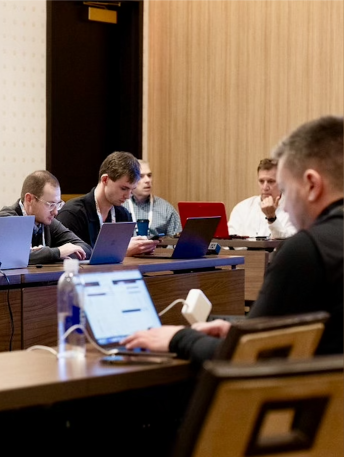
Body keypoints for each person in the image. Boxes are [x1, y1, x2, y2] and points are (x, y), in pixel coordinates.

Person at [123, 115, 343, 361]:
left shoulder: (306, 249)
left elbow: (249, 354)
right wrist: (237, 329)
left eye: (286, 190)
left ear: (312, 185)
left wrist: (178, 338)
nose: (287, 207)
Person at [0, 170, 90, 265]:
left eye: (58, 204)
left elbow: (85, 249)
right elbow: (14, 258)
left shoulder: (47, 222)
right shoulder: (6, 219)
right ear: (29, 199)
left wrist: (44, 255)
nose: (55, 212)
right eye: (50, 205)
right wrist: (58, 252)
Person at [57, 151, 157, 256]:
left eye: (132, 190)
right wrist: (121, 251)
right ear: (105, 179)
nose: (128, 196)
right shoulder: (72, 214)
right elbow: (69, 258)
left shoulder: (123, 214)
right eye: (124, 188)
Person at [227, 158, 297, 239]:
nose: (265, 187)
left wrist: (272, 218)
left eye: (271, 181)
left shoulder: (294, 210)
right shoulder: (242, 208)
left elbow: (292, 240)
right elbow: (229, 241)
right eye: (261, 181)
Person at [124, 160, 182, 238]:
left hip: (158, 246)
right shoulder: (120, 206)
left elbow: (177, 241)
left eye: (149, 175)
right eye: (141, 176)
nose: (147, 180)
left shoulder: (166, 209)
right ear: (130, 180)